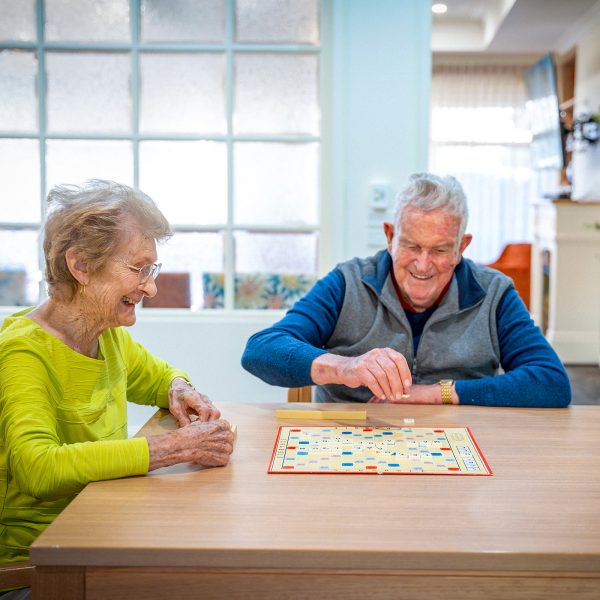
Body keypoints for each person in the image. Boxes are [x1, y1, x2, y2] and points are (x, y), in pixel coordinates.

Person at [0, 180, 235, 586]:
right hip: (43, 569)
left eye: (152, 269)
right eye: (138, 269)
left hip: (105, 534)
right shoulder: (22, 353)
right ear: (81, 266)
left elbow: (161, 378)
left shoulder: (108, 336)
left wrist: (180, 387)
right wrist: (170, 448)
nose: (151, 286)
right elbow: (37, 467)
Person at [241, 172, 571, 407]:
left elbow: (551, 383)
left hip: (459, 455)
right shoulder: (347, 282)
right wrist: (346, 367)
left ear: (461, 247)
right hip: (350, 448)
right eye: (411, 245)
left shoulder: (494, 294)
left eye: (441, 250)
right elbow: (260, 351)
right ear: (389, 236)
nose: (423, 265)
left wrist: (436, 393)